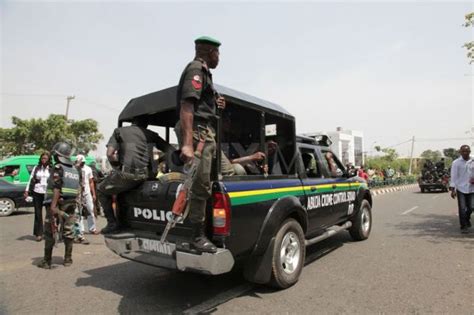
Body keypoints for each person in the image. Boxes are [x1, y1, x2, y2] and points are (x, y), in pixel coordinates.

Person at [174, 36, 225, 253]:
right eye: (218, 53)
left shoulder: (205, 74)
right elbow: (187, 105)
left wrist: (217, 103)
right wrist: (187, 144)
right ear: (210, 51)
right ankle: (197, 236)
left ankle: (205, 231)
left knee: (211, 180)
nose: (219, 58)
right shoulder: (196, 69)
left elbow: (204, 106)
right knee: (199, 186)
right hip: (198, 134)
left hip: (205, 132)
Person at [98, 115, 166, 234]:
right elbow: (169, 150)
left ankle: (112, 224)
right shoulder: (151, 134)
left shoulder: (119, 131)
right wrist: (157, 161)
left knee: (101, 190)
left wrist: (117, 166)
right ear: (146, 124)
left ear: (132, 122)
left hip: (127, 175)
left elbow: (110, 154)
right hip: (147, 176)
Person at [37, 142, 80, 269]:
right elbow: (78, 188)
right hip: (71, 203)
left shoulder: (57, 168)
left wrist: (53, 206)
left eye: (55, 154)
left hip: (56, 204)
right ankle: (68, 259)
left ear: (58, 155)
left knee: (50, 231)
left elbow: (56, 187)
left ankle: (47, 261)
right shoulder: (75, 170)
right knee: (69, 231)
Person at [24, 152, 51, 242]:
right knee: (38, 213)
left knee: (49, 213)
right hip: (37, 191)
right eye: (43, 158)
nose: (44, 160)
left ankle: (49, 232)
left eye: (46, 158)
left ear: (49, 159)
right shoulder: (36, 168)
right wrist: (27, 190)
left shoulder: (52, 168)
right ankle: (39, 233)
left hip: (47, 192)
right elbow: (31, 179)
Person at [449, 145, 473, 234]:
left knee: (471, 207)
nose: (465, 153)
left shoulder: (473, 160)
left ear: (469, 152)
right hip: (461, 188)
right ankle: (463, 226)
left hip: (472, 188)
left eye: (467, 151)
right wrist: (453, 189)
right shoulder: (456, 163)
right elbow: (454, 176)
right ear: (460, 152)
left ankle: (467, 219)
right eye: (463, 151)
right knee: (462, 208)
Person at [75, 154, 99, 235]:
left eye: (83, 162)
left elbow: (91, 182)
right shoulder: (74, 169)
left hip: (87, 192)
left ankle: (92, 228)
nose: (82, 163)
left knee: (90, 210)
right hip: (78, 194)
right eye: (81, 162)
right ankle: (81, 230)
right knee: (79, 212)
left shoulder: (88, 169)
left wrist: (94, 194)